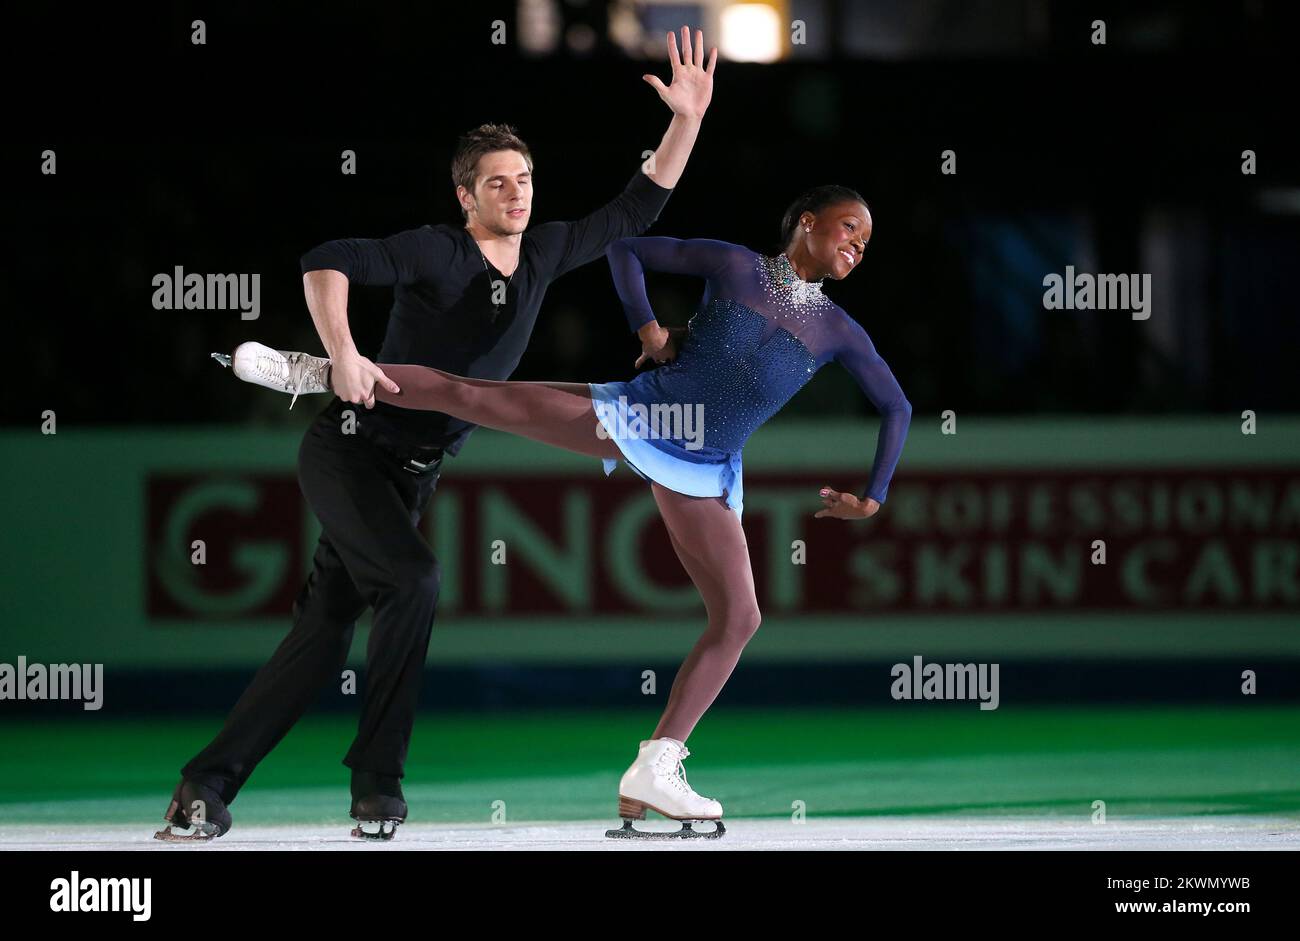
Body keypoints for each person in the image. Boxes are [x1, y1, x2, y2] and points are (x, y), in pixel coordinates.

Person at [157, 28, 719, 842]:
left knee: (319, 639)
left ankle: (202, 789)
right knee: (414, 581)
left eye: (524, 179)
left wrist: (688, 121)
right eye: (498, 184)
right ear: (467, 197)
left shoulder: (546, 251)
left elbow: (636, 203)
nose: (517, 194)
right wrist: (344, 354)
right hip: (349, 449)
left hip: (413, 475)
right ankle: (377, 788)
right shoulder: (437, 251)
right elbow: (326, 260)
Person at [227, 185, 912, 840]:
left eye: (869, 239)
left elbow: (897, 405)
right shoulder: (733, 265)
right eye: (850, 226)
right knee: (476, 397)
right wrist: (646, 325)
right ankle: (319, 371)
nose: (859, 243)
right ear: (807, 222)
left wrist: (874, 493)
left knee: (740, 616)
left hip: (704, 470)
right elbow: (626, 250)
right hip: (637, 416)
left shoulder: (839, 331)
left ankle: (657, 764)